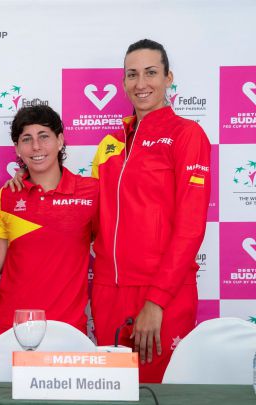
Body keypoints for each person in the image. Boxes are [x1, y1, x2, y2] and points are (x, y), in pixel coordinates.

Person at [90, 39, 210, 382]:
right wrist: (29, 178)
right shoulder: (110, 144)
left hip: (162, 293)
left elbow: (190, 226)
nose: (141, 84)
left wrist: (156, 301)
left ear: (169, 77)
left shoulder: (187, 135)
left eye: (151, 73)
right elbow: (89, 207)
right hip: (108, 292)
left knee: (160, 393)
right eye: (132, 74)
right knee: (113, 394)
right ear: (124, 81)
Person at [0, 105, 98, 338]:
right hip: (11, 328)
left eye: (44, 136)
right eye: (27, 139)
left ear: (60, 140)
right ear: (17, 148)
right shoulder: (7, 196)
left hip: (67, 331)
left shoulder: (92, 192)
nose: (36, 146)